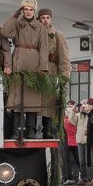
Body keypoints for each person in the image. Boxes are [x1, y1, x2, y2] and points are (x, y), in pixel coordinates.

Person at [2, 0, 49, 138]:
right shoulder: (16, 24)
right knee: (17, 96)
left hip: (34, 62)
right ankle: (16, 130)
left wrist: (43, 68)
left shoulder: (40, 27)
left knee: (32, 97)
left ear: (34, 11)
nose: (28, 12)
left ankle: (31, 130)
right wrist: (15, 15)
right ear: (22, 10)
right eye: (25, 9)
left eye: (30, 10)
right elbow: (5, 32)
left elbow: (44, 48)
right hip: (18, 59)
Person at [37, 8, 70, 139]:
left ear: (51, 19)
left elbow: (64, 57)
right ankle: (33, 129)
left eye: (47, 18)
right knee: (35, 101)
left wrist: (64, 75)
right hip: (36, 71)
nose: (45, 20)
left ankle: (47, 129)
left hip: (51, 71)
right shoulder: (36, 33)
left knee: (49, 101)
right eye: (42, 18)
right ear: (38, 19)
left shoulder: (57, 35)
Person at [76, 99, 93, 185]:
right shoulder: (79, 115)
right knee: (81, 161)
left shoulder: (90, 114)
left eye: (85, 105)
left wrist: (87, 111)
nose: (83, 107)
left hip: (88, 141)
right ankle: (83, 178)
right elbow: (71, 120)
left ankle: (90, 178)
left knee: (89, 160)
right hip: (80, 141)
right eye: (82, 105)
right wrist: (73, 110)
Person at [61, 101, 79, 183]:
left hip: (68, 142)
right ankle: (77, 177)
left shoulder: (66, 121)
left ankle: (69, 177)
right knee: (76, 160)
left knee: (67, 160)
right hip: (74, 142)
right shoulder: (74, 119)